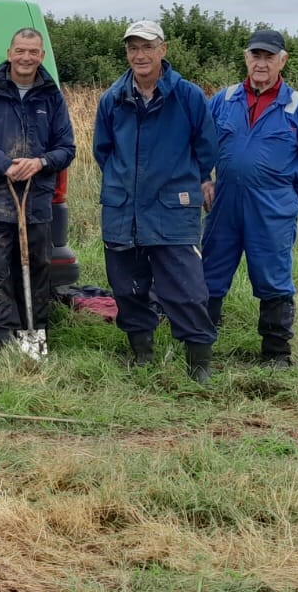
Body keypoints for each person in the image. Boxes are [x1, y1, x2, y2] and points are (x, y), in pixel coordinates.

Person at [94, 20, 219, 383]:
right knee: (127, 287)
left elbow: (206, 148)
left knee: (186, 289)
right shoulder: (112, 99)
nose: (140, 55)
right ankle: (142, 355)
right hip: (123, 210)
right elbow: (103, 151)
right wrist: (126, 184)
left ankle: (199, 366)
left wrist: (184, 182)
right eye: (133, 48)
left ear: (163, 49)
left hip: (173, 208)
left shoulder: (189, 96)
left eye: (147, 47)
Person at [202, 29, 298, 368]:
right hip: (224, 203)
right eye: (255, 56)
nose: (261, 63)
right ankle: (200, 343)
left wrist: (289, 197)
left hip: (272, 208)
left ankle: (276, 353)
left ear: (282, 60)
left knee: (273, 277)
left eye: (268, 57)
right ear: (246, 58)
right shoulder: (223, 100)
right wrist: (203, 179)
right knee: (210, 271)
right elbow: (198, 143)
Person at [0, 29, 76, 352]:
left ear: (41, 56)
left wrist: (40, 162)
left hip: (37, 197)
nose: (27, 57)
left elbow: (66, 147)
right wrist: (4, 164)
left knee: (37, 265)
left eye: (33, 52)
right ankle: (1, 335)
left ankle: (34, 330)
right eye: (21, 51)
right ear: (10, 53)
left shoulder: (51, 96)